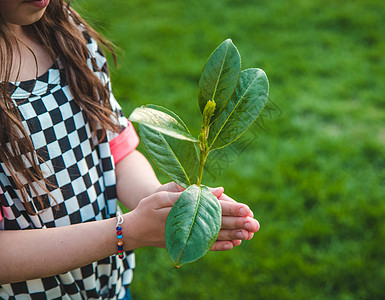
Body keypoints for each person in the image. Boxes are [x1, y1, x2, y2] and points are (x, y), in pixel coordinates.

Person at [0, 0, 260, 299]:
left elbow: (116, 152)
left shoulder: (68, 34)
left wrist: (158, 202)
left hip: (110, 287)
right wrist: (126, 232)